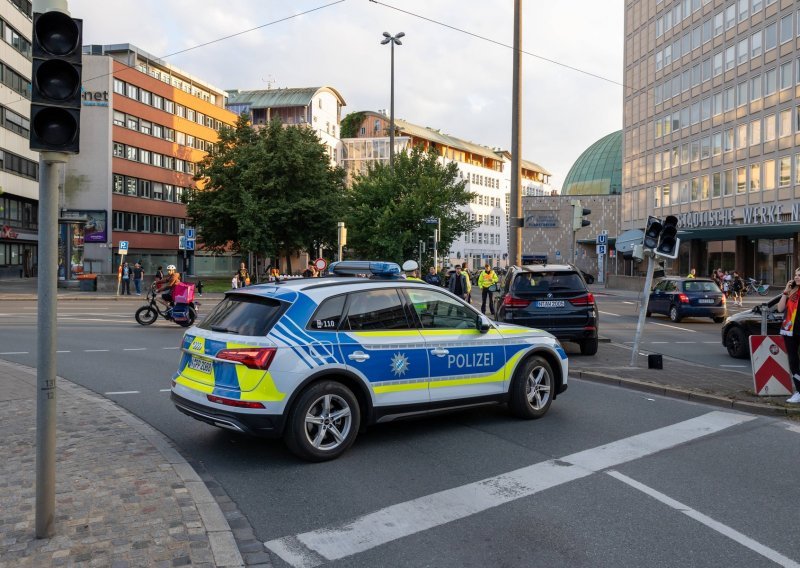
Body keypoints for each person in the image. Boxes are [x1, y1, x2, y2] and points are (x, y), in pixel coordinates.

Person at [776, 269, 800, 403]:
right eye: (796, 275)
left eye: (799, 275)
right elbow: (780, 308)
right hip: (790, 330)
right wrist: (785, 291)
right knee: (794, 362)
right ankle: (799, 391)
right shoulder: (791, 292)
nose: (796, 277)